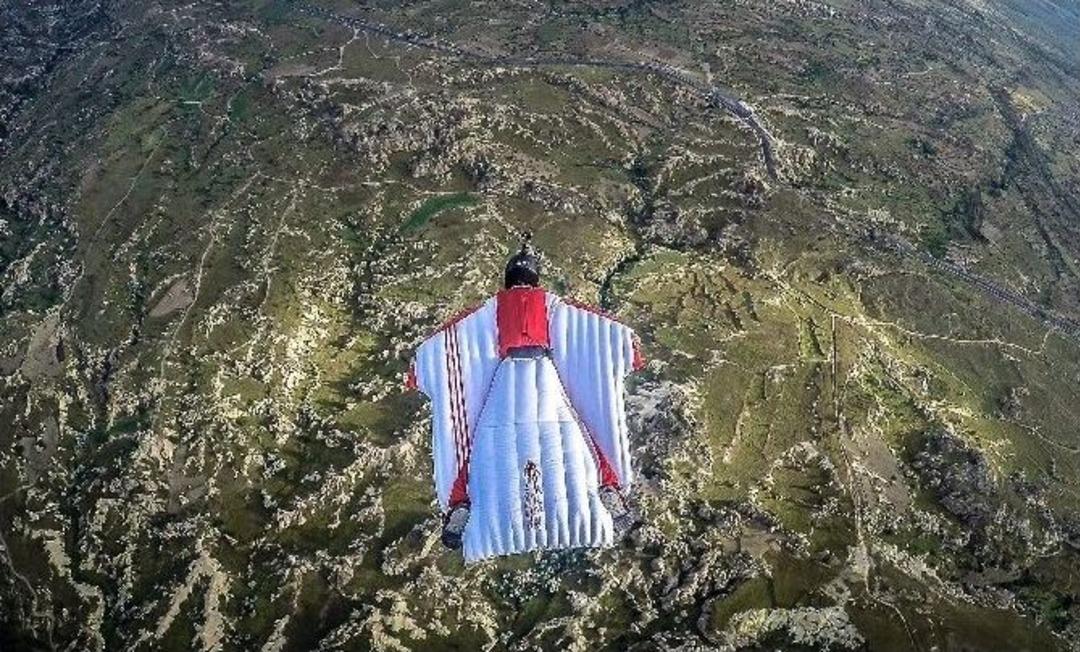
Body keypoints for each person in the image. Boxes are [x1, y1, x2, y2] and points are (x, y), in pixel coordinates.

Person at [407, 237, 645, 561]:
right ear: (535, 278)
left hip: (504, 380)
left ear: (508, 279)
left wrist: (421, 366)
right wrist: (627, 347)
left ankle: (460, 506)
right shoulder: (552, 305)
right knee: (587, 437)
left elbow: (451, 335)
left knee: (470, 449)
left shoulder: (491, 309)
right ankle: (608, 489)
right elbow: (596, 323)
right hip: (545, 373)